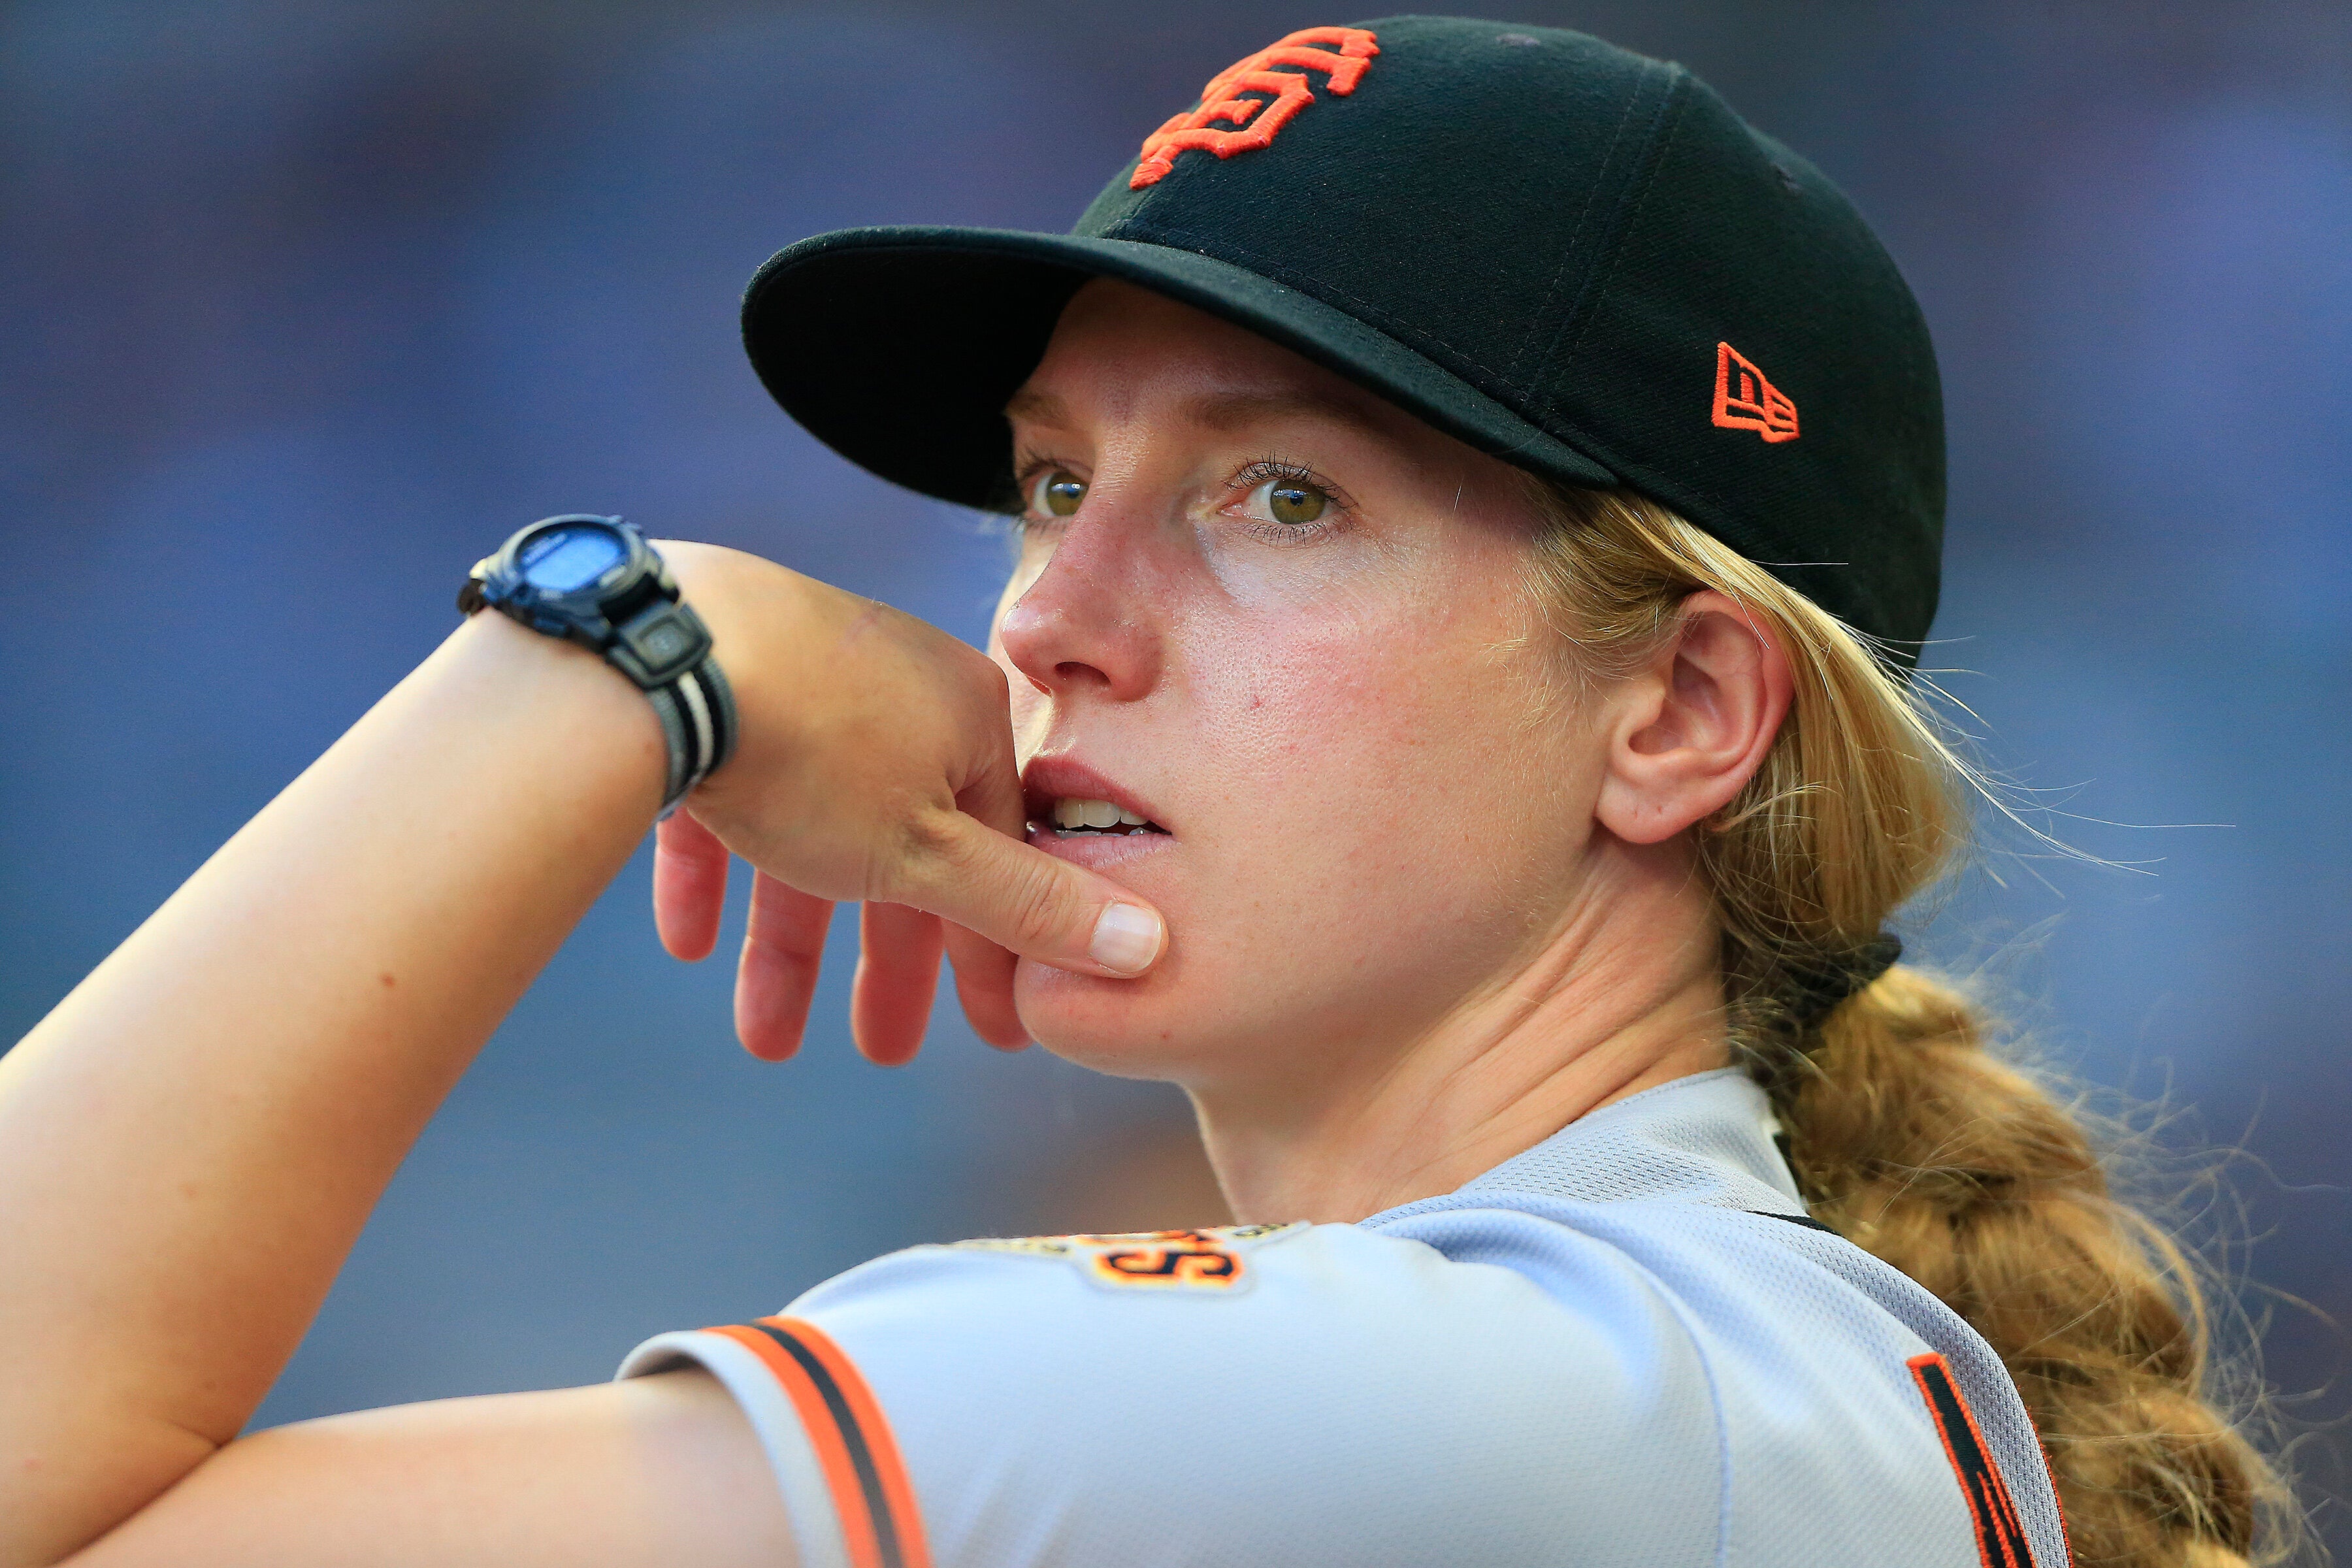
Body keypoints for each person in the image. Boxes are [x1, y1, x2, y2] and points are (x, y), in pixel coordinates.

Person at [0, 17, 2292, 1568]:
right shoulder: (1659, 1379)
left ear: (1683, 713)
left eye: (1282, 496)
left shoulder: (1467, 1404)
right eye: (1050, 483)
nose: (1048, 620)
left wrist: (611, 656)